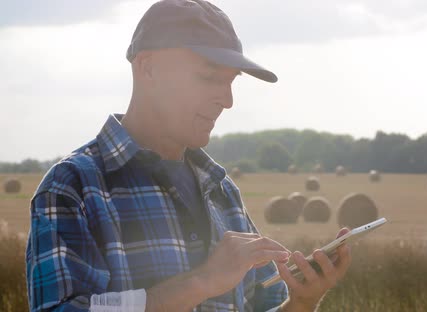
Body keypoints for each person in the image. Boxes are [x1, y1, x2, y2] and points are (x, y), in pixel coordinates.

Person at [25, 0, 352, 311]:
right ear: (149, 68)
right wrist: (203, 280)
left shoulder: (223, 193)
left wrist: (302, 302)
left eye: (231, 82)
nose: (227, 100)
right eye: (209, 77)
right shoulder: (73, 187)